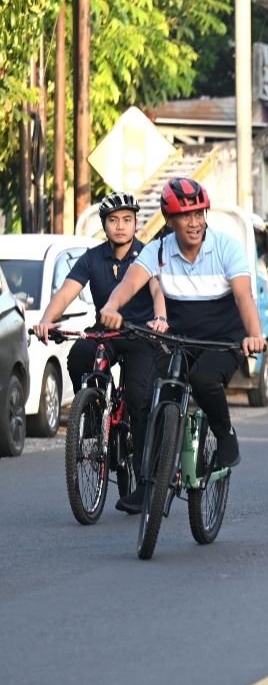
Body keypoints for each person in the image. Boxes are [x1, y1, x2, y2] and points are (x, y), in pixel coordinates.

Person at [100, 178, 267, 470]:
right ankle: (148, 480)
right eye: (185, 215)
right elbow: (128, 284)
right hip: (177, 340)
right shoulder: (158, 250)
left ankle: (225, 434)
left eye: (199, 213)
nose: (194, 223)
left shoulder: (227, 247)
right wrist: (112, 306)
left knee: (204, 379)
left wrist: (254, 335)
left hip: (221, 341)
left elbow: (244, 297)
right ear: (170, 219)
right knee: (146, 395)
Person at [33, 192, 167, 514]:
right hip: (105, 333)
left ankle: (143, 472)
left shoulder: (147, 255)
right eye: (113, 220)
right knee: (79, 355)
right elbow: (67, 291)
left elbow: (157, 290)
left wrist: (160, 317)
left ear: (136, 223)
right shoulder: (91, 258)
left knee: (138, 397)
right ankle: (92, 413)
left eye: (127, 220)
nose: (120, 226)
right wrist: (46, 321)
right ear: (104, 225)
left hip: (140, 335)